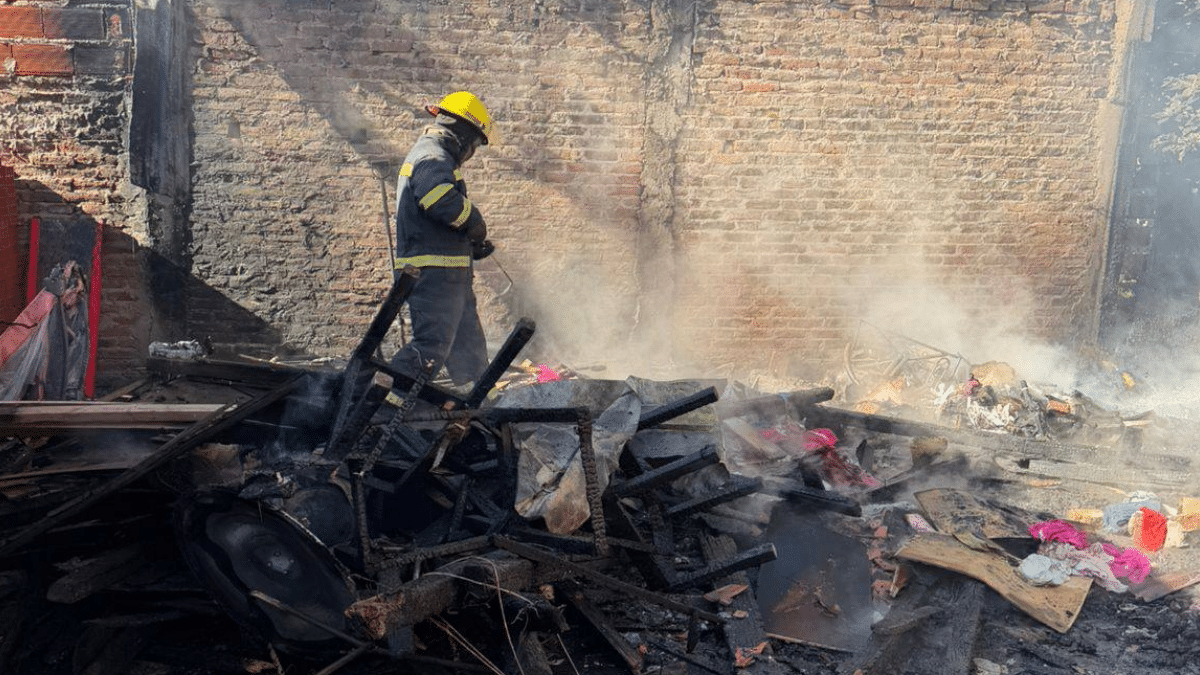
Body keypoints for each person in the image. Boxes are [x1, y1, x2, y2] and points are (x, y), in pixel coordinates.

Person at [389, 91, 495, 391]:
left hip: (448, 276)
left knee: (469, 348)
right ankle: (382, 404)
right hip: (433, 275)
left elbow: (439, 218)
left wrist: (469, 243)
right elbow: (437, 198)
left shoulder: (438, 155)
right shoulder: (432, 155)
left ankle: (481, 404)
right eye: (475, 144)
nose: (472, 152)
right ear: (464, 133)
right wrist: (473, 221)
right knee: (431, 349)